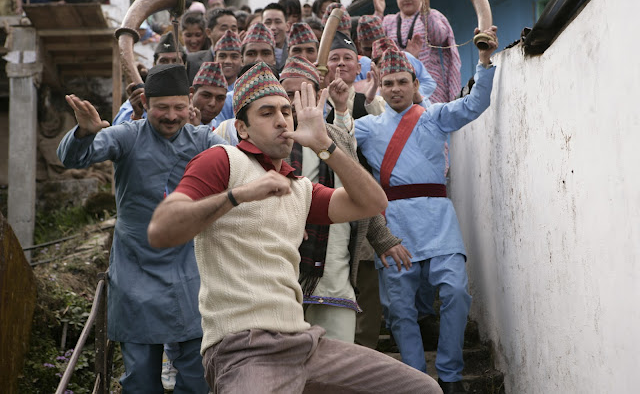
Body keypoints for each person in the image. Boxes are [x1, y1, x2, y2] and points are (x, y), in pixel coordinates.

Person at [146, 61, 442, 394]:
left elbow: (372, 203)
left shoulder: (299, 187)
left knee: (422, 389)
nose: (281, 120)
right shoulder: (222, 159)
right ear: (242, 129)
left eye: (287, 112)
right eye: (267, 113)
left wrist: (325, 145)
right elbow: (161, 229)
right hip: (243, 348)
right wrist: (238, 195)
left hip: (304, 343)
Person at [333, 26, 498, 394]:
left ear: (414, 84)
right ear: (381, 85)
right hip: (394, 225)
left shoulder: (434, 116)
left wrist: (485, 60)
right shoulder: (368, 126)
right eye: (389, 83)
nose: (395, 89)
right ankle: (416, 381)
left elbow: (474, 104)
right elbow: (338, 142)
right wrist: (341, 107)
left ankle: (450, 375)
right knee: (400, 309)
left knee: (455, 292)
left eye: (402, 82)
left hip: (439, 221)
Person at [57, 64, 227, 393]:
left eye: (179, 107)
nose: (171, 116)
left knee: (199, 376)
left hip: (190, 269)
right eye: (162, 107)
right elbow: (73, 159)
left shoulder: (204, 140)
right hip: (135, 271)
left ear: (190, 101)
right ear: (146, 103)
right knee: (139, 379)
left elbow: (241, 169)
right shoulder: (127, 136)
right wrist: (85, 133)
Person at [280, 55, 405, 344]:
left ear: (319, 95)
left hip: (335, 271)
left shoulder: (337, 137)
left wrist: (382, 238)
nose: (296, 101)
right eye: (288, 94)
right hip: (284, 273)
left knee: (338, 360)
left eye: (304, 92)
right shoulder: (274, 140)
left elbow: (358, 192)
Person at [374, 0, 461, 104]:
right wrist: (379, 13)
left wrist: (426, 13)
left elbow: (439, 38)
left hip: (430, 86)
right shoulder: (388, 21)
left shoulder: (432, 15)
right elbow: (375, 46)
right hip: (397, 86)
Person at [113, 32, 186, 125]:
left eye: (176, 61)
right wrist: (136, 115)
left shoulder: (194, 97)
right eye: (164, 61)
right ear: (154, 65)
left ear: (184, 66)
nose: (169, 66)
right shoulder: (140, 98)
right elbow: (117, 126)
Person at [186, 8, 237, 83]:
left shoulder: (243, 62)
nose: (229, 33)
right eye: (224, 28)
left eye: (234, 29)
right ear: (209, 32)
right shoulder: (192, 61)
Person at [190, 61, 228, 126]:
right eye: (206, 96)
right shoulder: (176, 126)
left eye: (220, 98)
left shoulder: (223, 129)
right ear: (192, 93)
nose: (212, 104)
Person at [262, 2, 289, 71]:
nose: (273, 27)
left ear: (287, 26)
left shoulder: (295, 50)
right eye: (268, 23)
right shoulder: (255, 52)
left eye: (278, 22)